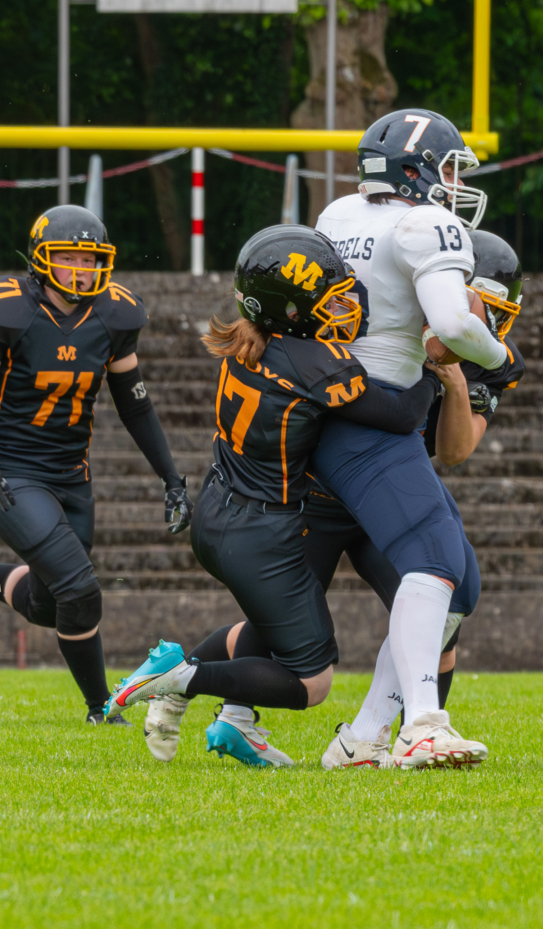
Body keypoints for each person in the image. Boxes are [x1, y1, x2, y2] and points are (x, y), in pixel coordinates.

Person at [101, 226, 442, 767]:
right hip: (259, 530)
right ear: (291, 311)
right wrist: (434, 371)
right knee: (311, 680)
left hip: (218, 510)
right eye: (328, 297)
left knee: (265, 629)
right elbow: (401, 415)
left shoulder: (250, 336)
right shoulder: (315, 363)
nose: (346, 303)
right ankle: (179, 679)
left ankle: (180, 689)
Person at [0, 204, 192, 725]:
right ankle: (100, 708)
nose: (82, 270)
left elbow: (135, 404)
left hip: (71, 475)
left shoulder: (113, 316)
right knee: (81, 589)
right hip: (11, 473)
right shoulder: (10, 312)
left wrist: (170, 477)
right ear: (42, 261)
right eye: (68, 258)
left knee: (50, 604)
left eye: (90, 259)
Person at [308, 108, 508, 768]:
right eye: (450, 168)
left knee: (463, 586)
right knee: (433, 560)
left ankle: (364, 736)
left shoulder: (338, 215)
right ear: (419, 168)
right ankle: (424, 720)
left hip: (340, 404)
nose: (454, 184)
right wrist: (497, 357)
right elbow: (454, 324)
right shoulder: (426, 222)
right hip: (376, 415)